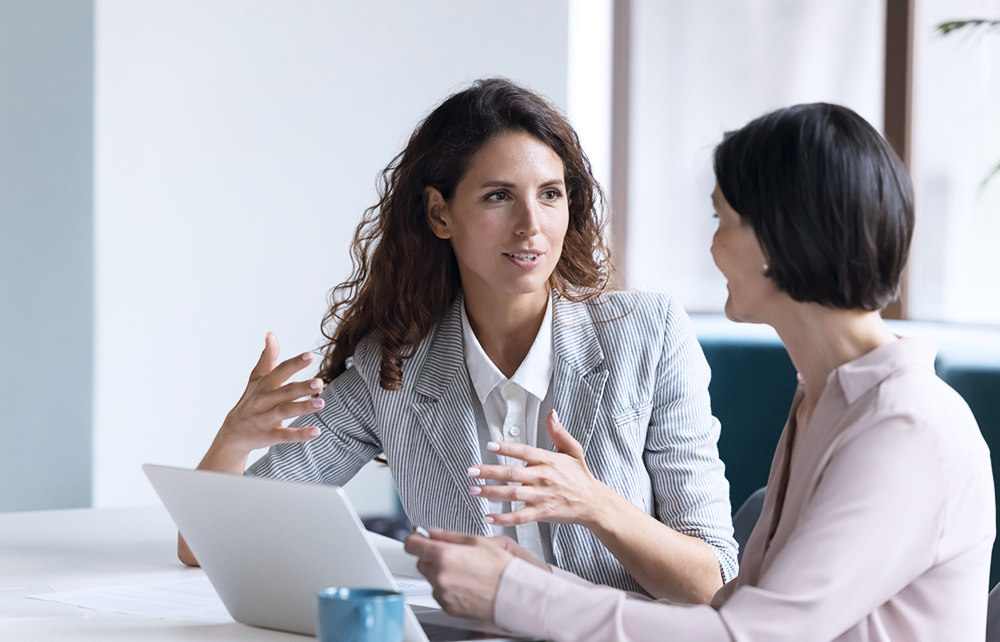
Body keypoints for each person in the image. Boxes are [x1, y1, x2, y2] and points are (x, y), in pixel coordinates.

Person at [404, 102, 996, 642]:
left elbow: (748, 639)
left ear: (778, 237)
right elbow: (726, 613)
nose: (712, 249)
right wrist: (526, 579)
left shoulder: (906, 427)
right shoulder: (826, 400)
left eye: (722, 220)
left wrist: (519, 592)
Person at [178, 78, 739, 603]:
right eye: (499, 196)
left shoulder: (647, 333)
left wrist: (599, 507)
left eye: (550, 194)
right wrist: (235, 437)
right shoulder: (393, 368)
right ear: (439, 213)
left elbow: (713, 581)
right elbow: (203, 545)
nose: (531, 224)